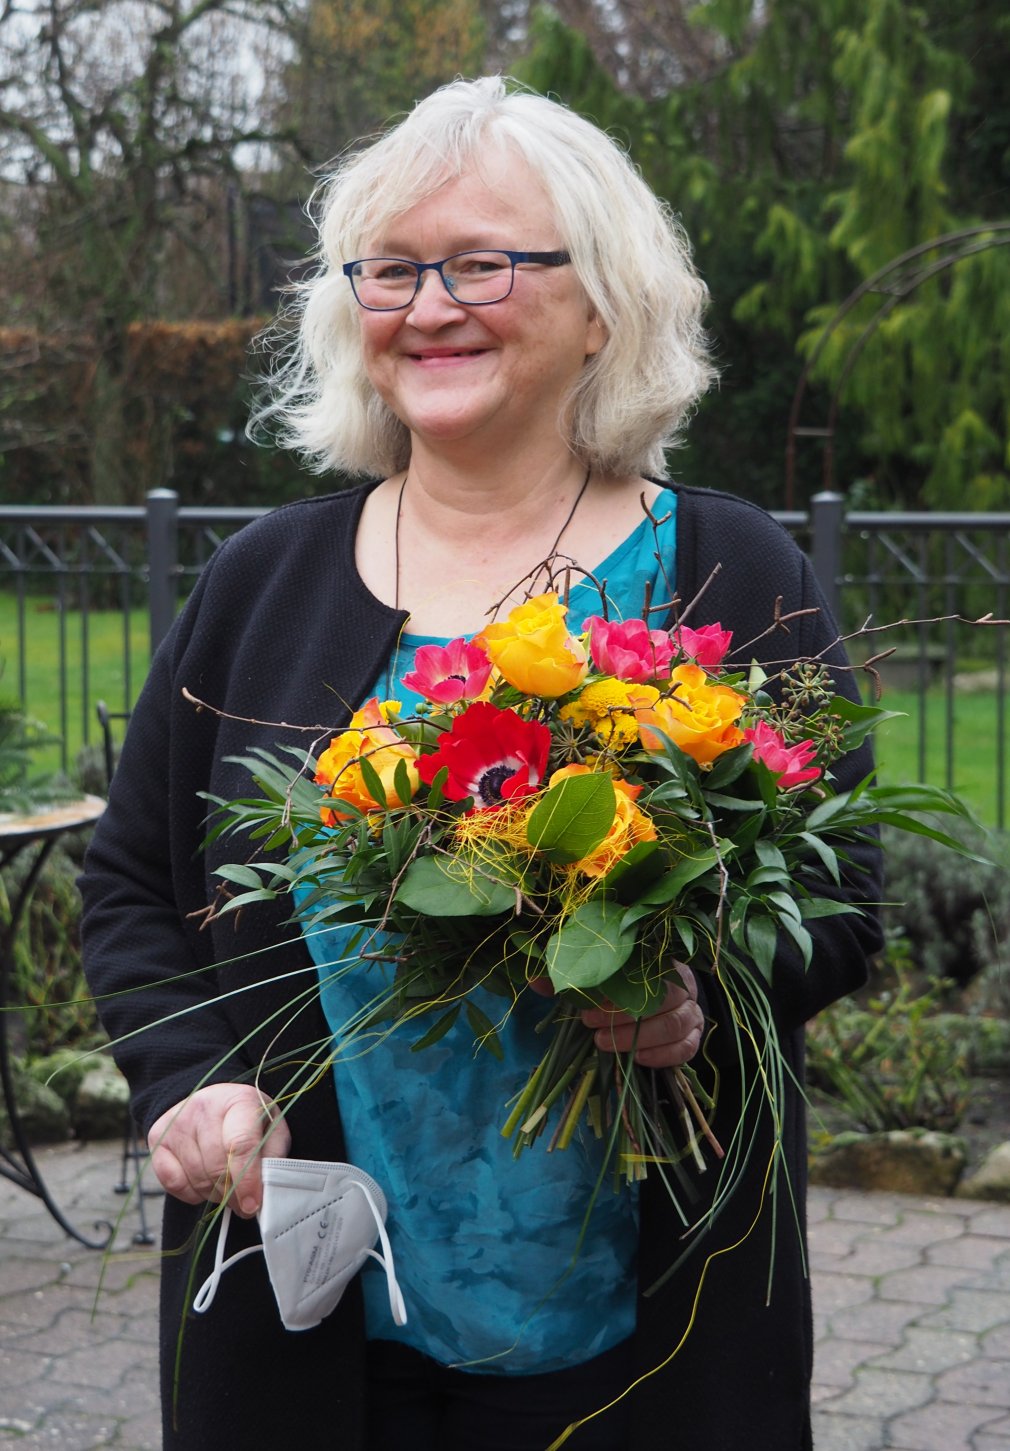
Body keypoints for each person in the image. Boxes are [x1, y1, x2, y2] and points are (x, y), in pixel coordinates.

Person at [80, 76, 882, 1451]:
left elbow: (843, 897)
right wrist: (189, 1082)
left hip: (648, 1336)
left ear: (603, 305)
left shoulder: (729, 568)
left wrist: (697, 994)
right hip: (311, 1315)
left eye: (482, 262)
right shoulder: (262, 581)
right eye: (392, 269)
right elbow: (134, 884)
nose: (429, 306)